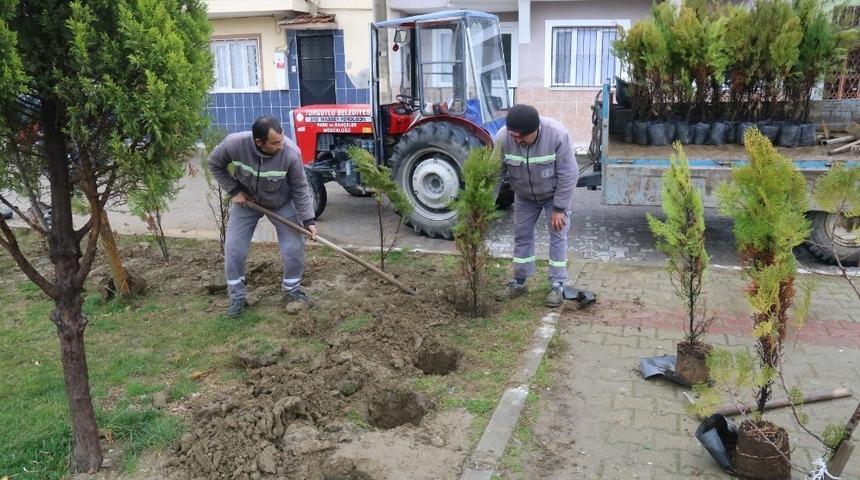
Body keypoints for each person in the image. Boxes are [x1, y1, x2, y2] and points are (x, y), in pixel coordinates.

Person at [208, 116, 318, 316]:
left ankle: (292, 291)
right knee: (234, 248)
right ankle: (237, 298)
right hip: (248, 202)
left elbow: (300, 188)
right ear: (259, 142)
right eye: (275, 143)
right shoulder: (234, 145)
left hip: (281, 203)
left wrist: (308, 220)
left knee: (294, 247)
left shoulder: (291, 154)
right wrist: (234, 190)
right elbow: (214, 164)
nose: (281, 146)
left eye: (282, 140)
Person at [494, 104, 579, 308]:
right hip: (524, 196)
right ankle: (520, 281)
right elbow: (494, 173)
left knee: (558, 235)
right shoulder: (504, 137)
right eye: (514, 136)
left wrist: (559, 208)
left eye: (522, 137)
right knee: (521, 235)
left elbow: (569, 174)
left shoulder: (557, 135)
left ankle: (557, 284)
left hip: (553, 195)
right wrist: (484, 206)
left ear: (535, 130)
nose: (517, 140)